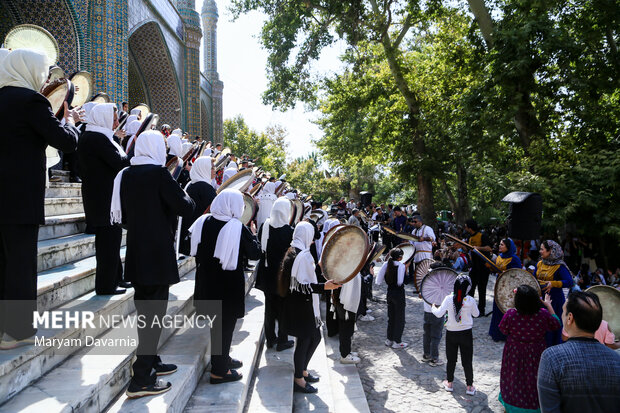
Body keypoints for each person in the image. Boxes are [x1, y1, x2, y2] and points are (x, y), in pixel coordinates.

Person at [0, 49, 80, 349]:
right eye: (42, 72)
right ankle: (18, 331)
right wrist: (69, 121)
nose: (45, 78)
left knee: (4, 262)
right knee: (20, 263)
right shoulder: (31, 101)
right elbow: (65, 141)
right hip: (21, 198)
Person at [110, 130, 195, 397]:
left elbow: (121, 215)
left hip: (137, 251)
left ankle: (152, 361)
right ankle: (141, 379)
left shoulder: (126, 174)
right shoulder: (159, 174)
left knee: (146, 313)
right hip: (157, 254)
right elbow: (186, 207)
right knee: (154, 316)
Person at [190, 189, 261, 384]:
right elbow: (255, 254)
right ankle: (219, 371)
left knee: (217, 326)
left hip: (207, 281)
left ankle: (222, 359)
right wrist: (253, 234)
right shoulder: (237, 227)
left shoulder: (203, 221)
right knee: (225, 326)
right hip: (227, 285)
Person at [280, 221, 341, 393]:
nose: (313, 241)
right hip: (301, 304)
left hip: (300, 303)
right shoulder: (300, 256)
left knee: (314, 338)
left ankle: (303, 371)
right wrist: (324, 287)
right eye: (311, 236)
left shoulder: (295, 252)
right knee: (306, 340)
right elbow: (301, 286)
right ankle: (299, 378)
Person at [78, 103, 130, 295]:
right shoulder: (96, 139)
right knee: (108, 244)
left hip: (103, 199)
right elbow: (119, 162)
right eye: (114, 119)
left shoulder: (97, 136)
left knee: (111, 242)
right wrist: (133, 151)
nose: (116, 123)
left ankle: (117, 279)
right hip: (103, 201)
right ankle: (106, 286)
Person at [537, 291, 620, 413]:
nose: (562, 315)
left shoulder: (551, 358)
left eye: (563, 312)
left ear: (570, 318)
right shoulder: (617, 360)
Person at [498, 286, 561, 413]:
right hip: (536, 353)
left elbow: (503, 329)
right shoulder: (543, 314)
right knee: (533, 379)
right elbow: (556, 323)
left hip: (514, 353)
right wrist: (548, 305)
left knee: (513, 378)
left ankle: (512, 405)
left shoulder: (511, 314)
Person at [256, 198, 295, 351]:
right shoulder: (288, 231)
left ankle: (270, 339)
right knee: (283, 308)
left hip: (267, 272)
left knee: (269, 307)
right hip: (282, 276)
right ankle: (282, 340)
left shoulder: (264, 226)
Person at [431, 274, 479, 395]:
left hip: (451, 333)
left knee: (451, 359)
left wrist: (433, 307)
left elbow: (438, 314)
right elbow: (477, 314)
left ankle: (450, 383)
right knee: (467, 360)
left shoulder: (448, 298)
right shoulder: (470, 300)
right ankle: (469, 386)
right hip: (466, 333)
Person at [535, 240, 573, 346]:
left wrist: (553, 283)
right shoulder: (539, 264)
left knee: (553, 324)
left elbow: (570, 282)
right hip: (540, 299)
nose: (540, 251)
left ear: (550, 251)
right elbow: (534, 278)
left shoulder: (559, 266)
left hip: (554, 301)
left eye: (542, 249)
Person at [177, 157, 217, 256]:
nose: (214, 170)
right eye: (211, 168)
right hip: (198, 235)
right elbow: (216, 209)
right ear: (203, 169)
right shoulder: (205, 187)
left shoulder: (192, 184)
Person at [489, 238, 522, 341]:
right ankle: (496, 333)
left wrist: (505, 273)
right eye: (500, 244)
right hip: (499, 285)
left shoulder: (514, 259)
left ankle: (506, 334)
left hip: (509, 287)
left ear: (508, 247)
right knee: (497, 308)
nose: (500, 246)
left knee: (506, 309)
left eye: (502, 245)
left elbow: (517, 274)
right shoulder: (499, 257)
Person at [376, 248, 408, 349]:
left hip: (389, 293)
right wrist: (406, 271)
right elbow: (401, 282)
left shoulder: (386, 264)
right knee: (400, 318)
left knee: (391, 317)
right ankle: (397, 341)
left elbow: (378, 280)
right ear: (400, 257)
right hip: (399, 294)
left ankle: (389, 339)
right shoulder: (401, 266)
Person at [464, 219, 492, 315]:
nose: (465, 228)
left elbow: (489, 248)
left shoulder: (482, 236)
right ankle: (470, 309)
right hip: (474, 267)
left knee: (481, 289)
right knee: (470, 289)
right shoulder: (469, 237)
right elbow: (468, 249)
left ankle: (481, 310)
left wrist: (477, 248)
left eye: (466, 226)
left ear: (470, 227)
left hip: (483, 267)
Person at [411, 215, 435, 290]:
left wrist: (424, 238)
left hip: (426, 254)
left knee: (425, 271)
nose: (413, 223)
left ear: (420, 222)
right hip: (417, 254)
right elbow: (411, 242)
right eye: (413, 222)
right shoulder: (413, 231)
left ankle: (427, 288)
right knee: (418, 272)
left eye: (415, 221)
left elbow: (432, 238)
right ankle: (419, 288)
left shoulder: (428, 229)